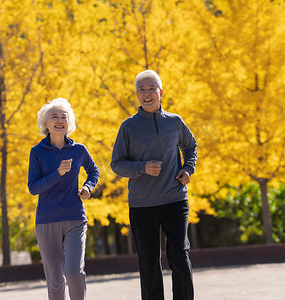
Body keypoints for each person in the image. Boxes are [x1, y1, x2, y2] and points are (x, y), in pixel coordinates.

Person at [111, 70, 197, 300]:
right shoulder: (128, 127)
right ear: (137, 95)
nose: (147, 93)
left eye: (151, 89)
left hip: (175, 200)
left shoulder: (175, 122)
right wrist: (142, 167)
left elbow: (191, 147)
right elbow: (117, 164)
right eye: (142, 89)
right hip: (142, 205)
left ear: (161, 92)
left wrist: (188, 169)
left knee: (180, 255)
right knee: (149, 264)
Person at [28, 98, 100, 300]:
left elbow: (94, 171)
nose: (60, 120)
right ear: (46, 123)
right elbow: (33, 187)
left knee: (74, 272)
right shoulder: (37, 153)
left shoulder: (79, 150)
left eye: (64, 117)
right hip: (46, 220)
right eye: (54, 117)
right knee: (55, 279)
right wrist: (57, 173)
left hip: (75, 218)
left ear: (69, 122)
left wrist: (87, 186)